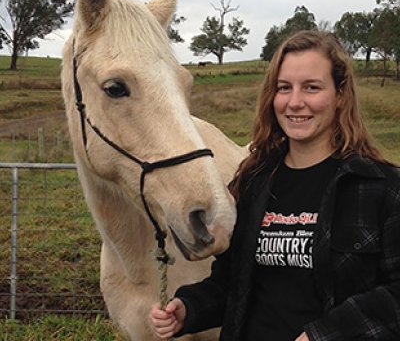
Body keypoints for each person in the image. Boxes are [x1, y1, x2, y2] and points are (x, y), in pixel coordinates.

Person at [150, 30, 400, 340]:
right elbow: (230, 283)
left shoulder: (380, 187)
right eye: (284, 88)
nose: (295, 102)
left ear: (340, 95)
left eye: (311, 87)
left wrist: (323, 335)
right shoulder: (252, 182)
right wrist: (188, 308)